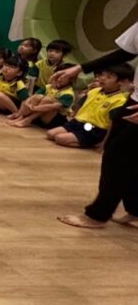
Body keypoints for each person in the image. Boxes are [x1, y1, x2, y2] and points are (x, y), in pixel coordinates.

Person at [54, 19, 138, 229]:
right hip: (135, 99)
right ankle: (135, 210)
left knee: (118, 155)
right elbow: (125, 53)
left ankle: (98, 215)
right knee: (121, 154)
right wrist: (80, 68)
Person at [46, 64, 132, 148]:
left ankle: (92, 143)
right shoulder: (94, 91)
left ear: (121, 82)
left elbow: (112, 123)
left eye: (108, 77)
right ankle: (79, 138)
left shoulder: (120, 100)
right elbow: (80, 104)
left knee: (60, 139)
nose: (102, 78)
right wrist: (74, 117)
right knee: (50, 134)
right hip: (77, 122)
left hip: (94, 128)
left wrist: (104, 142)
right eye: (102, 75)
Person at [6, 63, 76, 128]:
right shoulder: (49, 86)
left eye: (63, 76)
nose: (58, 78)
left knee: (47, 100)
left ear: (71, 79)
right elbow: (33, 97)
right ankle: (21, 118)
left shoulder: (68, 93)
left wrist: (34, 108)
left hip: (55, 120)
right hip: (40, 115)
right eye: (57, 75)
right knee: (38, 97)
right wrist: (27, 104)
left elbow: (54, 106)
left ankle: (27, 120)